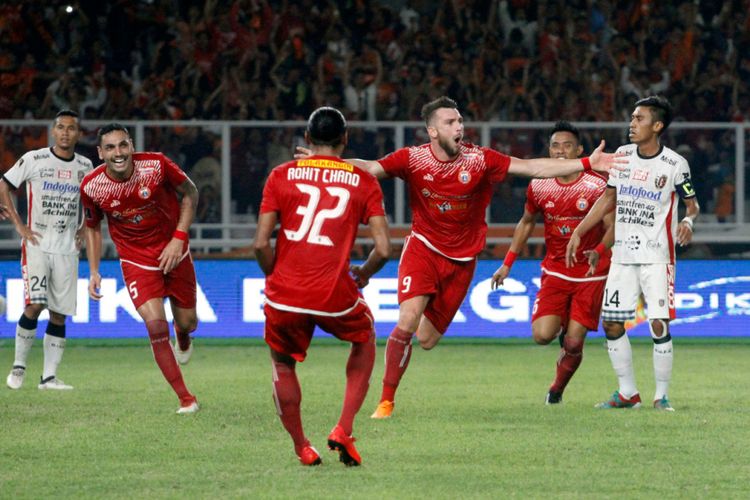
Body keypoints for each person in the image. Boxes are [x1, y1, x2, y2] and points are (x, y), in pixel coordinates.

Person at [298, 96, 624, 419]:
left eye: (460, 121)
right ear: (432, 131)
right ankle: (385, 402)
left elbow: (530, 167)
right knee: (408, 320)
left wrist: (587, 163)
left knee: (426, 339)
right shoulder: (412, 159)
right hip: (423, 247)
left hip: (462, 261)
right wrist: (323, 161)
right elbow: (369, 168)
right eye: (450, 122)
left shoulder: (479, 160)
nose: (459, 127)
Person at [254, 107, 390, 466]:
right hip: (334, 292)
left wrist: (274, 276)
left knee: (282, 364)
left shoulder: (281, 175)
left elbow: (259, 244)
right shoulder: (363, 181)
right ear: (345, 139)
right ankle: (343, 428)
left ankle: (303, 447)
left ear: (308, 140)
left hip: (285, 292)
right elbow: (385, 249)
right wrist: (363, 275)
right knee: (364, 338)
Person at [566, 96, 700, 411]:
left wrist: (688, 220)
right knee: (612, 324)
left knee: (658, 324)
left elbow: (692, 204)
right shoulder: (622, 157)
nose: (632, 123)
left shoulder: (675, 164)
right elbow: (607, 199)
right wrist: (580, 231)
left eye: (639, 118)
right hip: (623, 256)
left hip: (657, 256)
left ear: (657, 126)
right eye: (632, 118)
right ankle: (628, 393)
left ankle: (661, 396)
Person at [80, 123, 201, 414]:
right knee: (155, 324)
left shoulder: (156, 165)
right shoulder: (91, 187)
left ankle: (183, 337)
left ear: (132, 146)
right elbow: (93, 228)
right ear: (100, 153)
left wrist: (179, 238)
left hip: (175, 250)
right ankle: (186, 398)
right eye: (110, 147)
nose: (118, 153)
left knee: (187, 322)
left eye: (123, 145)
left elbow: (191, 193)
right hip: (136, 260)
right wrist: (94, 271)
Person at [491, 121, 614, 405]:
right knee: (542, 335)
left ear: (580, 150)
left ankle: (556, 391)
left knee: (573, 343)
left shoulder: (597, 185)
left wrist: (597, 249)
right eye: (555, 146)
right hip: (555, 271)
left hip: (590, 274)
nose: (560, 151)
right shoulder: (539, 185)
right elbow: (526, 222)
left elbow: (611, 225)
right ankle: (562, 323)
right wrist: (507, 263)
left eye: (567, 145)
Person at [2, 109, 93, 391]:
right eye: (61, 127)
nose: (66, 132)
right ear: (53, 131)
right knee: (35, 304)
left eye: (71, 128)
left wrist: (83, 227)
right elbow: (4, 185)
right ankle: (19, 367)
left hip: (68, 248)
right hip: (38, 244)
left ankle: (49, 378)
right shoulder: (34, 159)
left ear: (78, 134)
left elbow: (92, 202)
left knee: (59, 313)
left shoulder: (85, 166)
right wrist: (20, 225)